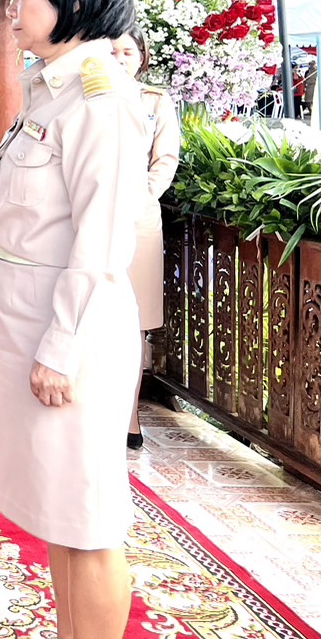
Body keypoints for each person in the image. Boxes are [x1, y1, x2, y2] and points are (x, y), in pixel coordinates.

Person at [0, 0, 148, 639]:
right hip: (31, 312)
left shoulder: (98, 99)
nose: (11, 7)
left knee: (87, 513)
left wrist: (61, 345)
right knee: (56, 508)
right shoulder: (54, 87)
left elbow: (101, 240)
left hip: (70, 322)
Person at [110, 25, 179, 449]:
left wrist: (139, 196)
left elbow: (165, 159)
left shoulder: (155, 101)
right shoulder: (86, 95)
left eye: (128, 53)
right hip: (87, 218)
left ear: (142, 57)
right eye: (112, 51)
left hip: (137, 220)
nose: (120, 59)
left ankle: (129, 414)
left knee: (133, 324)